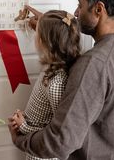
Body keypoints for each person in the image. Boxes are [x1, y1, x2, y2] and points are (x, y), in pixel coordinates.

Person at [8, 0, 114, 159]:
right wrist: (49, 29)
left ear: (99, 10)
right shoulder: (107, 58)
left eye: (80, 5)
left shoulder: (94, 64)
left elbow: (60, 141)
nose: (76, 13)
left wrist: (19, 138)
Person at [11, 10, 81, 160]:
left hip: (43, 155)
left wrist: (23, 125)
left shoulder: (56, 82)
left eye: (38, 32)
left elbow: (58, 130)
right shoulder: (53, 68)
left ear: (43, 41)